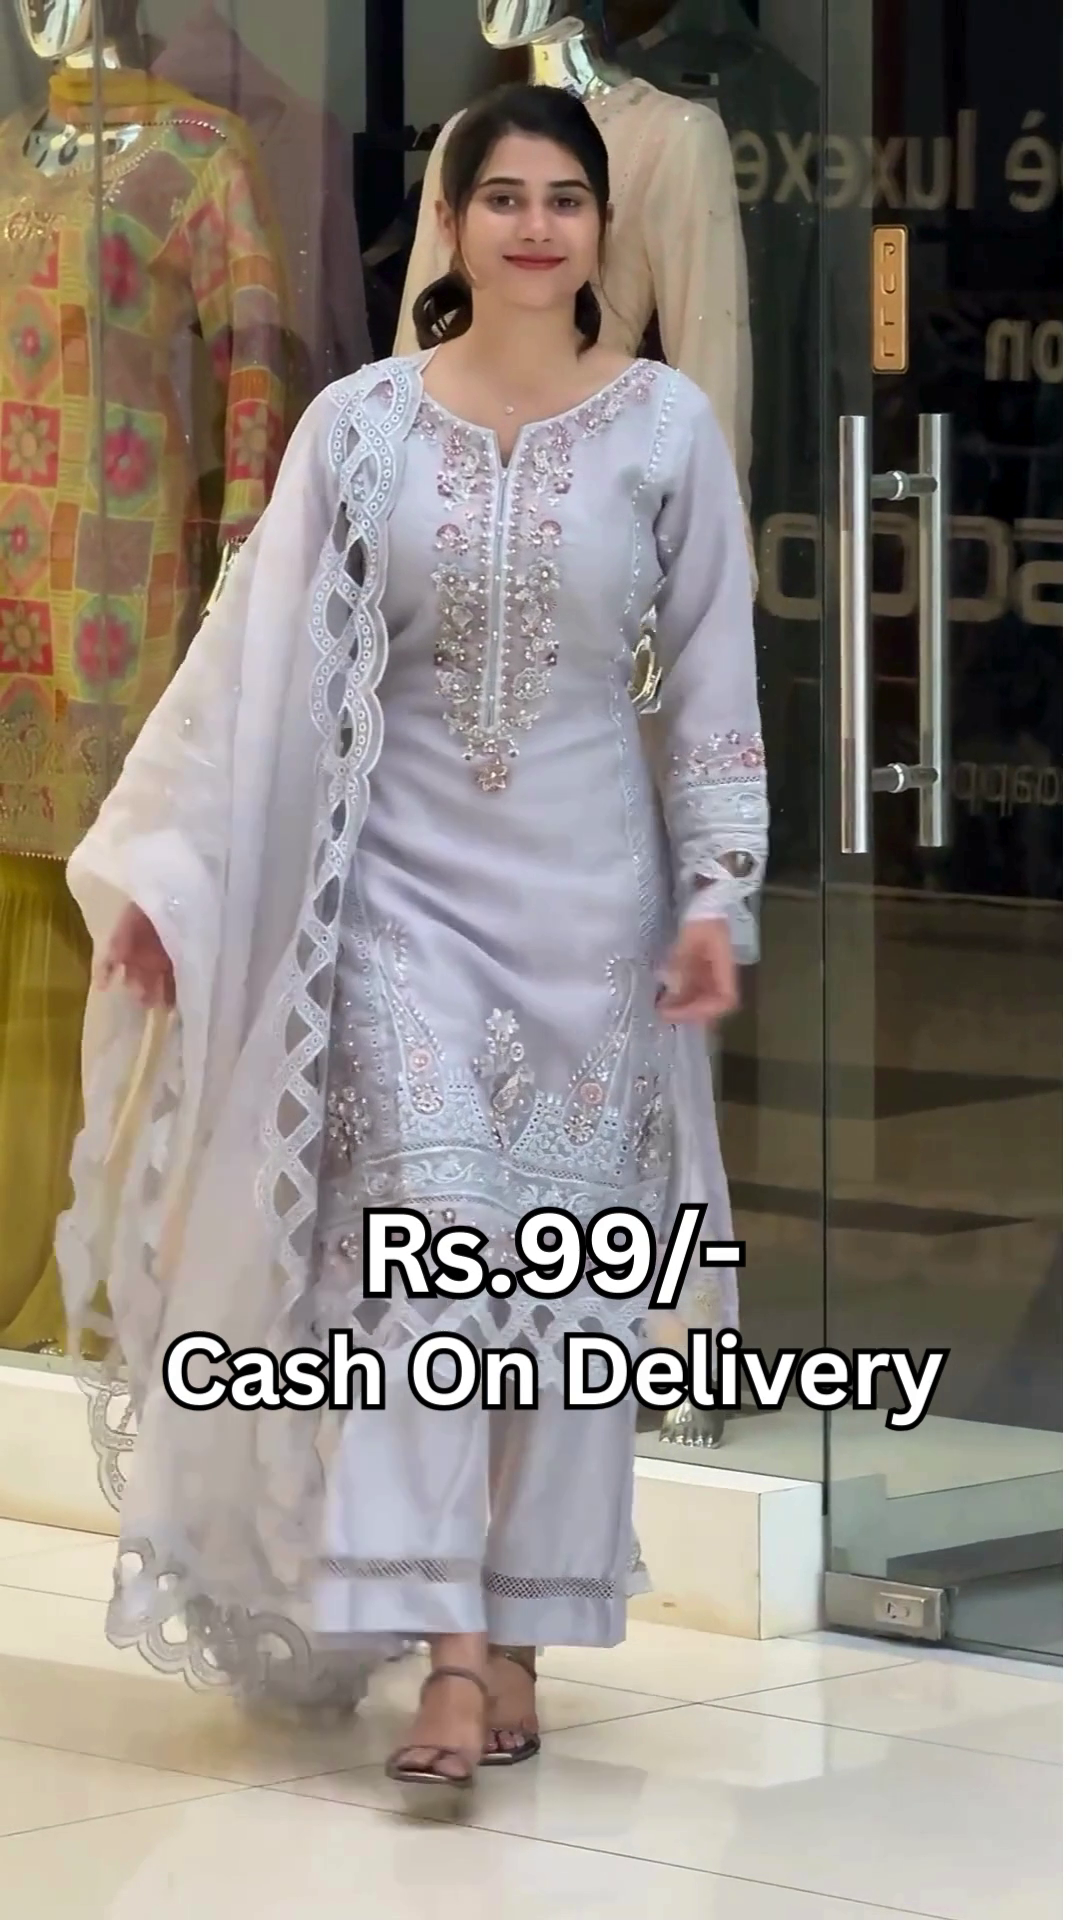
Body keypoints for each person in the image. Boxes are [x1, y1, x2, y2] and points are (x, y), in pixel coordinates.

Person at [57, 83, 767, 1804]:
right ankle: (447, 1644)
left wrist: (716, 892)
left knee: (560, 1289)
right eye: (500, 196)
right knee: (430, 1257)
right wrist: (170, 874)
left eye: (564, 199)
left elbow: (712, 682)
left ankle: (523, 1628)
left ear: (602, 229)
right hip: (401, 905)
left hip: (594, 916)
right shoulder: (362, 428)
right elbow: (248, 659)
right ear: (449, 223)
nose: (535, 226)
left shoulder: (666, 429)